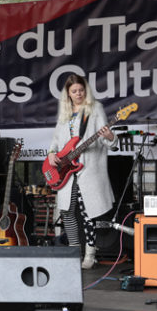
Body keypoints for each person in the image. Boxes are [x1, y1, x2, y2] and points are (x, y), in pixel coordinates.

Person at [46, 74, 116, 269]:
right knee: (66, 211)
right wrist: (51, 153)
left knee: (88, 213)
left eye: (81, 90)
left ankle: (90, 254)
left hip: (89, 168)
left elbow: (104, 138)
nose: (78, 94)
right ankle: (74, 251)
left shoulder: (95, 108)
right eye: (74, 91)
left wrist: (111, 137)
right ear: (68, 94)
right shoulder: (65, 113)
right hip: (66, 169)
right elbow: (56, 140)